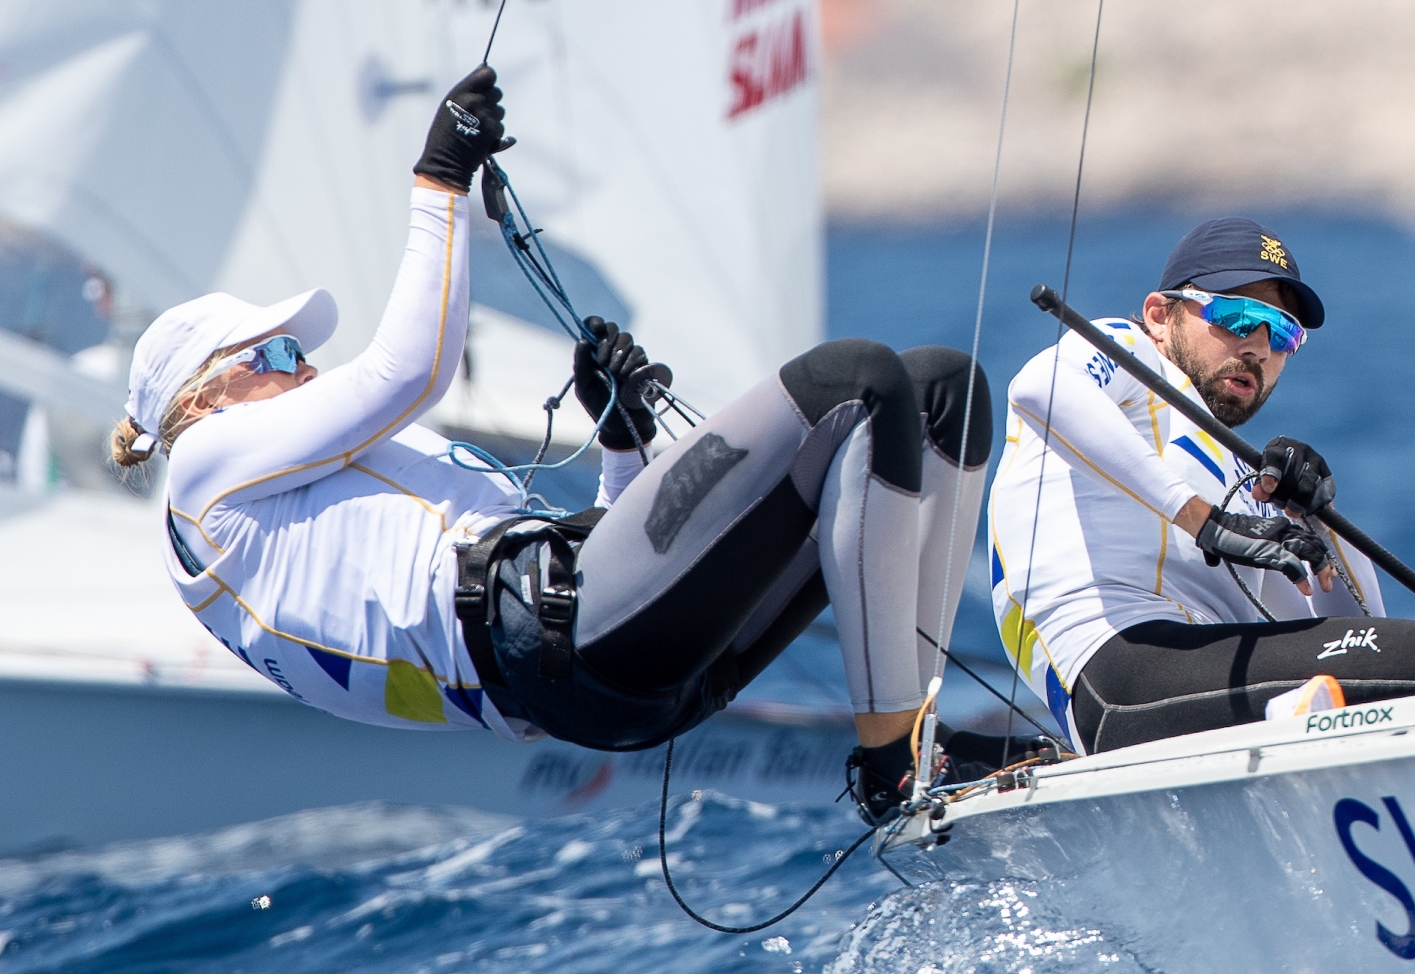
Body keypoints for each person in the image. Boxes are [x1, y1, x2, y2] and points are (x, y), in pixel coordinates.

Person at [110, 66, 997, 825]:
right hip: (563, 651)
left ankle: (915, 742)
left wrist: (620, 437)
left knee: (937, 390)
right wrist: (440, 177)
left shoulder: (293, 499)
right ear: (202, 394)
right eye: (275, 354)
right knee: (853, 379)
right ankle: (893, 768)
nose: (303, 369)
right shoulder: (204, 472)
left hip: (606, 665)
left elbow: (614, 566)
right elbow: (409, 370)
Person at [986, 217, 1415, 756]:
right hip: (1120, 673)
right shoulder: (1131, 353)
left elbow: (1344, 620)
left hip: (1199, 678)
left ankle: (1298, 726)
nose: (1259, 347)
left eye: (1282, 333)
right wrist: (1205, 522)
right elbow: (1041, 389)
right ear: (1163, 314)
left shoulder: (1244, 486)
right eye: (1238, 318)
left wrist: (1316, 516)